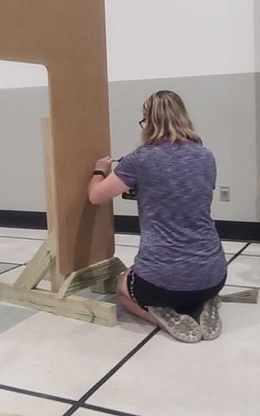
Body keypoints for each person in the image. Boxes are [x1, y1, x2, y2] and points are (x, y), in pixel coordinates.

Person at [88, 90, 227, 343]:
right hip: (213, 276)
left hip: (160, 285)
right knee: (192, 283)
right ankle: (205, 304)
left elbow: (96, 196)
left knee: (122, 286)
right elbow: (184, 193)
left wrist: (100, 169)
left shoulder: (139, 159)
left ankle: (160, 316)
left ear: (149, 122)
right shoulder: (206, 156)